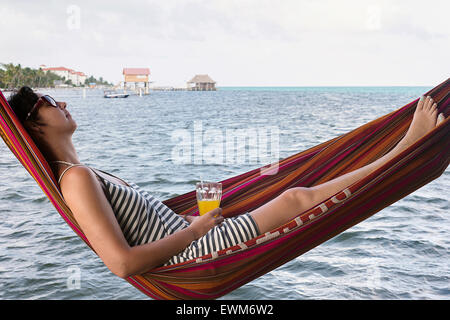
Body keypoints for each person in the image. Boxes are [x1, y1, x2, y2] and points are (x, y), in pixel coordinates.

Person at [7, 86, 445, 279]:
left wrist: (191, 214)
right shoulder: (78, 178)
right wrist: (197, 228)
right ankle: (404, 150)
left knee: (284, 187)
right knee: (296, 196)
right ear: (35, 127)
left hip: (191, 237)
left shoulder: (85, 173)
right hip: (194, 252)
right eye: (48, 102)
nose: (61, 101)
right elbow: (122, 264)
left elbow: (136, 225)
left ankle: (400, 151)